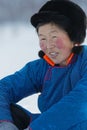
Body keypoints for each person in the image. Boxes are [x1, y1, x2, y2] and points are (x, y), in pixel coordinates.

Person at [0, 0, 87, 129]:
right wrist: (5, 122)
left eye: (54, 37)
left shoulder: (84, 61)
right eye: (43, 39)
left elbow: (80, 102)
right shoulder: (41, 68)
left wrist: (35, 128)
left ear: (73, 37)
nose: (48, 45)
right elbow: (5, 88)